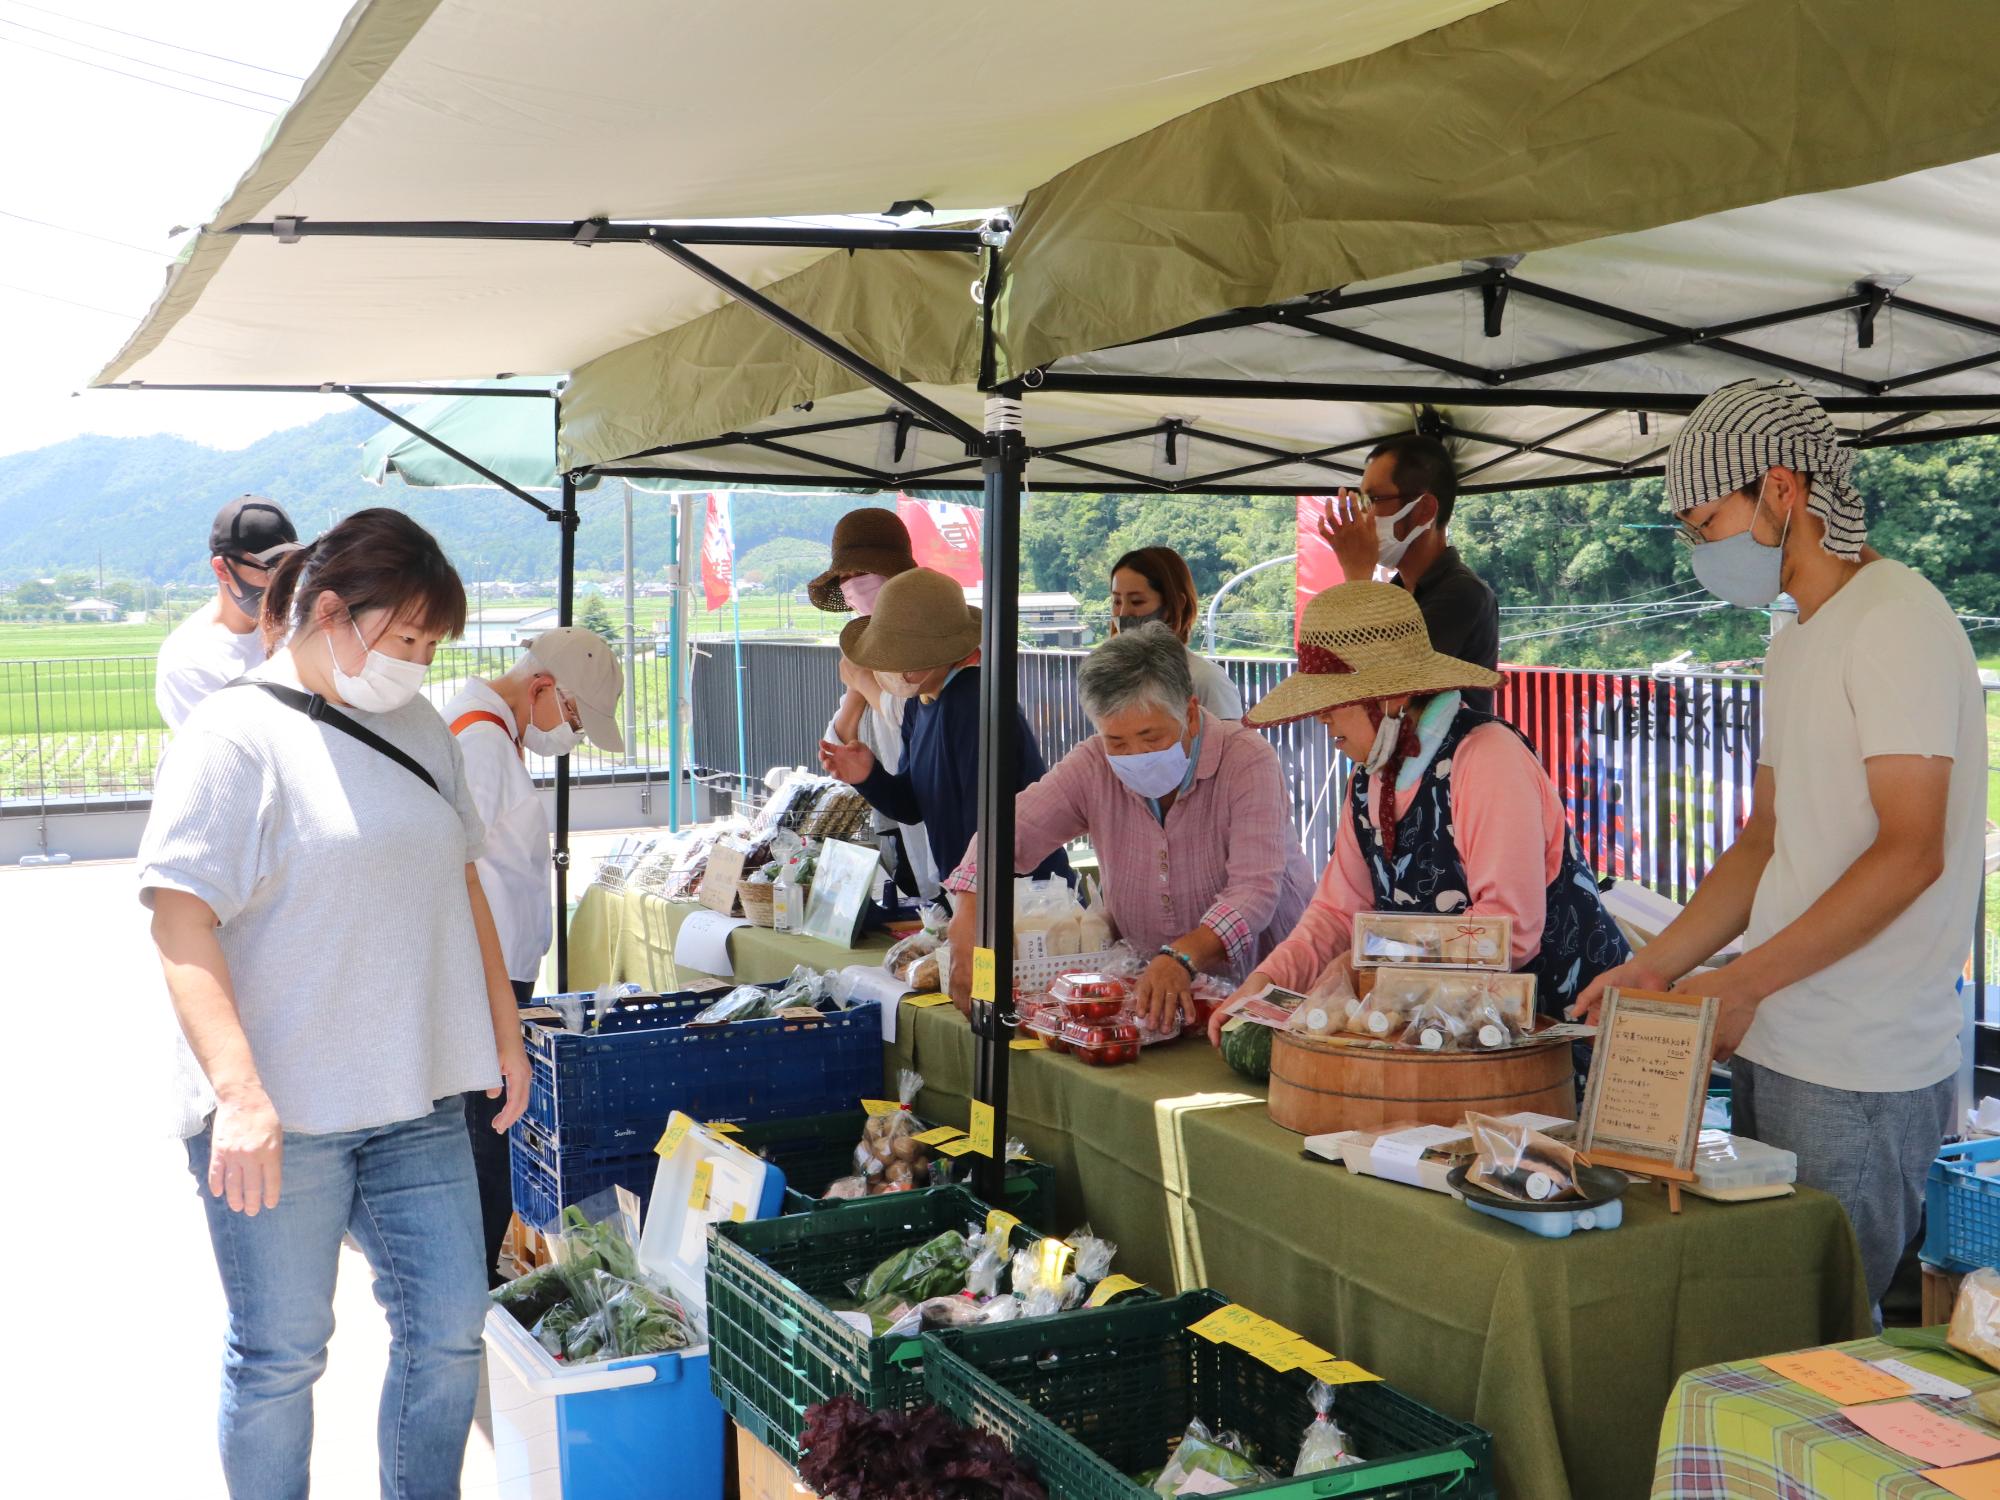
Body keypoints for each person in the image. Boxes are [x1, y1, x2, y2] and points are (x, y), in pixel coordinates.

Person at [137, 508, 530, 1499]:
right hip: (283, 1114)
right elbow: (180, 924)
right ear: (328, 611)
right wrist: (238, 1095)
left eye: (433, 644)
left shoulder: (424, 727)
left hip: (418, 1098)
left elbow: (463, 883)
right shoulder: (234, 735)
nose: (419, 659)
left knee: (448, 1331)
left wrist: (504, 1029)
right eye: (406, 638)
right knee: (282, 1356)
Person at [1575, 377, 1985, 1317]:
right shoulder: (1796, 632)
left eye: (1706, 519)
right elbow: (1765, 840)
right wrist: (1662, 967)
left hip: (1862, 1064)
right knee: (1767, 1327)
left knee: (1826, 1335)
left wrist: (1745, 978)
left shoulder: (1896, 623)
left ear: (1781, 491)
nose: (1699, 548)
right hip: (1781, 1041)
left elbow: (1912, 851)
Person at [1215, 581, 1628, 1040]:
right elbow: (1336, 913)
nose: (1321, 717)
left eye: (1329, 702)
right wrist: (1264, 985)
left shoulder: (1487, 758)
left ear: (1389, 699)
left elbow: (1506, 932)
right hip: (1448, 1034)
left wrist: (1371, 961)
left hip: (1561, 1031)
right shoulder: (1369, 778)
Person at [943, 623, 1313, 1025]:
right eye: (1116, 742)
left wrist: (1183, 955)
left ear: (1189, 714)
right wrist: (966, 919)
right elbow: (1008, 833)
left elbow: (1254, 889)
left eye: (1151, 737)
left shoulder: (1246, 760)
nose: (1135, 754)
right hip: (1151, 995)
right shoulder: (1093, 765)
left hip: (1260, 991)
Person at [442, 626, 625, 1285]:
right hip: (483, 976)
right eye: (574, 716)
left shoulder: (494, 734)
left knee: (490, 1127)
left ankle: (475, 1270)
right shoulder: (481, 744)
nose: (569, 735)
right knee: (488, 1128)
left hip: (494, 971)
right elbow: (455, 871)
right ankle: (471, 1278)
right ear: (543, 686)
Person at [817, 566, 1070, 888]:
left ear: (958, 656)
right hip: (968, 889)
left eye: (906, 657)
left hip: (1021, 895)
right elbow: (910, 806)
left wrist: (966, 898)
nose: (893, 666)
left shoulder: (975, 702)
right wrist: (868, 776)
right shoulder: (918, 704)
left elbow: (985, 826)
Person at [1317, 435, 1499, 712]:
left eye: (1374, 500)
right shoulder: (1398, 593)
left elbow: (1384, 684)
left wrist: (1356, 574)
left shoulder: (1463, 593)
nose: (1365, 517)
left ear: (1424, 510)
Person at [808, 507, 936, 897]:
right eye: (843, 578)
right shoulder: (864, 646)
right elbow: (838, 738)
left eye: (859, 574)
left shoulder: (935, 638)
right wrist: (856, 689)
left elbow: (918, 717)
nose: (850, 585)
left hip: (934, 807)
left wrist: (862, 680)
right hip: (891, 813)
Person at [156, 495, 306, 730]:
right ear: (222, 569)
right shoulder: (190, 661)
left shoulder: (306, 619)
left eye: (290, 568)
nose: (281, 583)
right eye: (270, 569)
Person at [1109, 546, 1243, 718]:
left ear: (1175, 604)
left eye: (1137, 601)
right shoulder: (1112, 677)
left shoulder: (1205, 679)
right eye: (1117, 601)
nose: (1123, 613)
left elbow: (1232, 743)